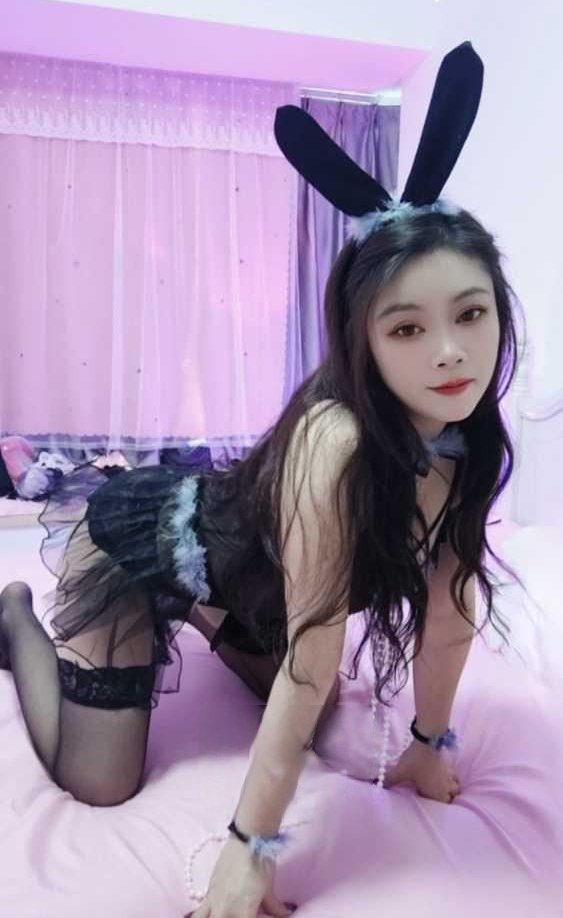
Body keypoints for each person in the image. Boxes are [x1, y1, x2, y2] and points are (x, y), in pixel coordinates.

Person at [0, 42, 526, 918]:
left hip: (248, 578)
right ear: (362, 338)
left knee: (322, 729)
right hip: (135, 544)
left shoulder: (469, 437)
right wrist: (249, 852)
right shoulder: (335, 441)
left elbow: (449, 607)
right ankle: (16, 616)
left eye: (470, 314)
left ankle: (209, 613)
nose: (449, 351)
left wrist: (430, 743)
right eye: (406, 328)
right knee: (100, 784)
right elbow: (310, 668)